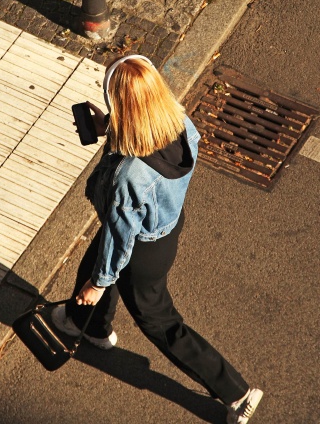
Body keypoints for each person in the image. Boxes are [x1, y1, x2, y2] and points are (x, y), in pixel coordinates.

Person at [52, 55, 263, 423]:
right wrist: (109, 128)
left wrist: (99, 285)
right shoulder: (179, 123)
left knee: (159, 320)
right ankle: (88, 325)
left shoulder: (128, 177)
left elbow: (120, 241)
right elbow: (143, 138)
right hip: (166, 224)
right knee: (96, 260)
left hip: (142, 248)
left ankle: (237, 392)